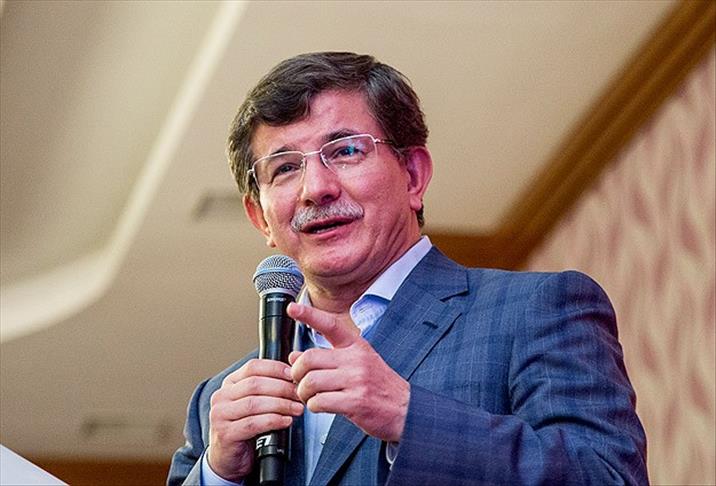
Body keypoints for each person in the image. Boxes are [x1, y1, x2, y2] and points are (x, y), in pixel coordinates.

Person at [168, 52, 648, 486]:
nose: (316, 188)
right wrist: (218, 474)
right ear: (260, 218)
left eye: (346, 151)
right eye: (285, 168)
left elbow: (607, 477)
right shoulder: (220, 400)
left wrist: (408, 416)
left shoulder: (535, 309)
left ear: (413, 175)